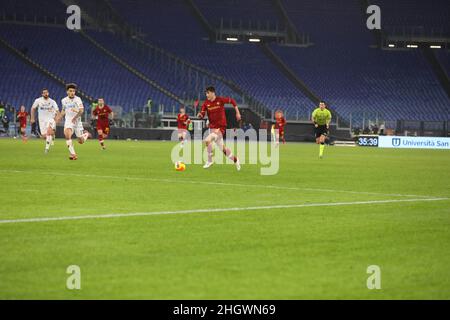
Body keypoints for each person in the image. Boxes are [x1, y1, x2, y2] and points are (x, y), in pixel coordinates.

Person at [197, 86, 241, 170]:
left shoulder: (220, 100)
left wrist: (237, 113)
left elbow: (233, 101)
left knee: (207, 140)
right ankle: (236, 160)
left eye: (208, 93)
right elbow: (202, 115)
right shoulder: (206, 104)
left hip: (221, 128)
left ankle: (210, 161)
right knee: (224, 150)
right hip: (212, 129)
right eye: (206, 93)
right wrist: (200, 115)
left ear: (213, 93)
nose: (206, 95)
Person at [58, 83, 91, 160]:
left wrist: (75, 118)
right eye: (70, 91)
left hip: (77, 122)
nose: (72, 92)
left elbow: (81, 111)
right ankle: (73, 154)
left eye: (73, 91)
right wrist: (58, 118)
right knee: (67, 135)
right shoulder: (63, 100)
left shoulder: (78, 99)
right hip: (68, 121)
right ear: (67, 92)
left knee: (80, 141)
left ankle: (86, 134)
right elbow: (63, 110)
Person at [31, 88, 59, 153]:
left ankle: (46, 149)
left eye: (46, 92)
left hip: (50, 119)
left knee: (49, 131)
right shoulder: (38, 100)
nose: (45, 94)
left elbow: (57, 111)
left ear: (48, 93)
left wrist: (57, 118)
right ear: (42, 94)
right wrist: (32, 118)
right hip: (41, 120)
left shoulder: (52, 101)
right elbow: (32, 109)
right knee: (44, 136)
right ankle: (52, 136)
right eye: (44, 93)